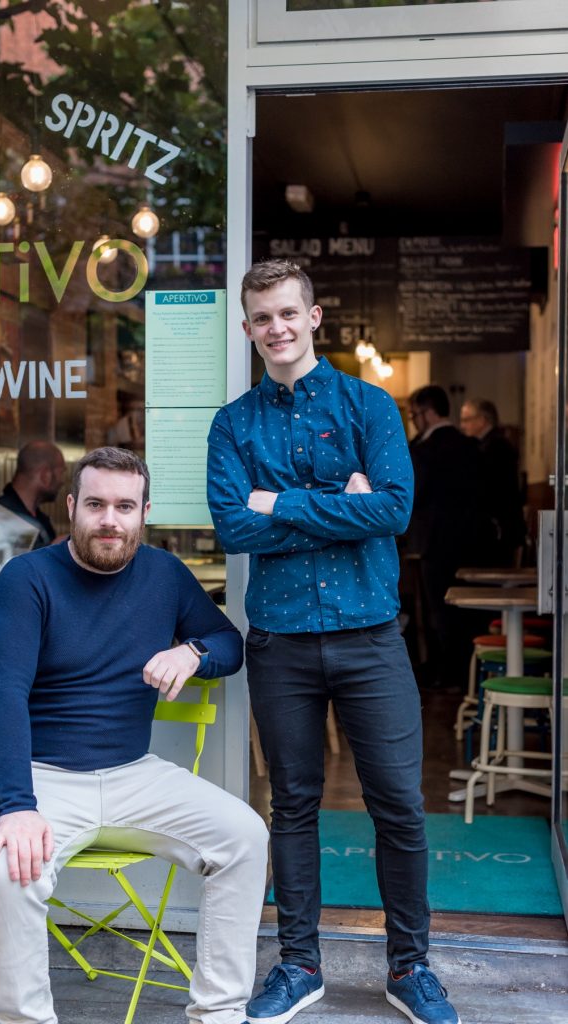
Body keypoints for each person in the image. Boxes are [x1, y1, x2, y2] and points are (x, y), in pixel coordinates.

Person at [207, 260, 459, 1024]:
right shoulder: (232, 425)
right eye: (261, 318)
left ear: (313, 317)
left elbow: (391, 512)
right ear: (247, 329)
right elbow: (233, 527)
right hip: (280, 643)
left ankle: (409, 966)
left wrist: (278, 501)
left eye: (288, 313)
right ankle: (298, 965)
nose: (276, 328)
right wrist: (336, 505)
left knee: (399, 807)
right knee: (291, 806)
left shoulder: (369, 406)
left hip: (370, 639)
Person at [0, 446, 268, 1024]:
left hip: (135, 772)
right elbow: (2, 697)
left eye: (124, 507)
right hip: (43, 776)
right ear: (71, 507)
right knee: (7, 872)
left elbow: (229, 643)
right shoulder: (26, 578)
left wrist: (192, 652)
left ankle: (219, 1012)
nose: (110, 520)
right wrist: (17, 807)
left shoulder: (164, 573)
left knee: (246, 836)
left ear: (144, 513)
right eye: (96, 505)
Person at [406, 385, 486, 690]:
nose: (414, 421)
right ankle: (468, 674)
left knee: (439, 610)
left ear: (428, 413)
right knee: (467, 611)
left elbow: (414, 494)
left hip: (434, 541)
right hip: (471, 541)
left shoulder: (423, 451)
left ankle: (446, 674)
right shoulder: (471, 446)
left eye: (414, 415)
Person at [459, 397, 526, 566]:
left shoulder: (495, 446)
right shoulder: (491, 444)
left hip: (497, 532)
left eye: (466, 420)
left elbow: (488, 491)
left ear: (482, 420)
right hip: (497, 529)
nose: (462, 426)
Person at [0, 440, 66, 548]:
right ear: (45, 475)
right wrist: (55, 548)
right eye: (61, 473)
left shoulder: (42, 521)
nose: (62, 482)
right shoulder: (0, 518)